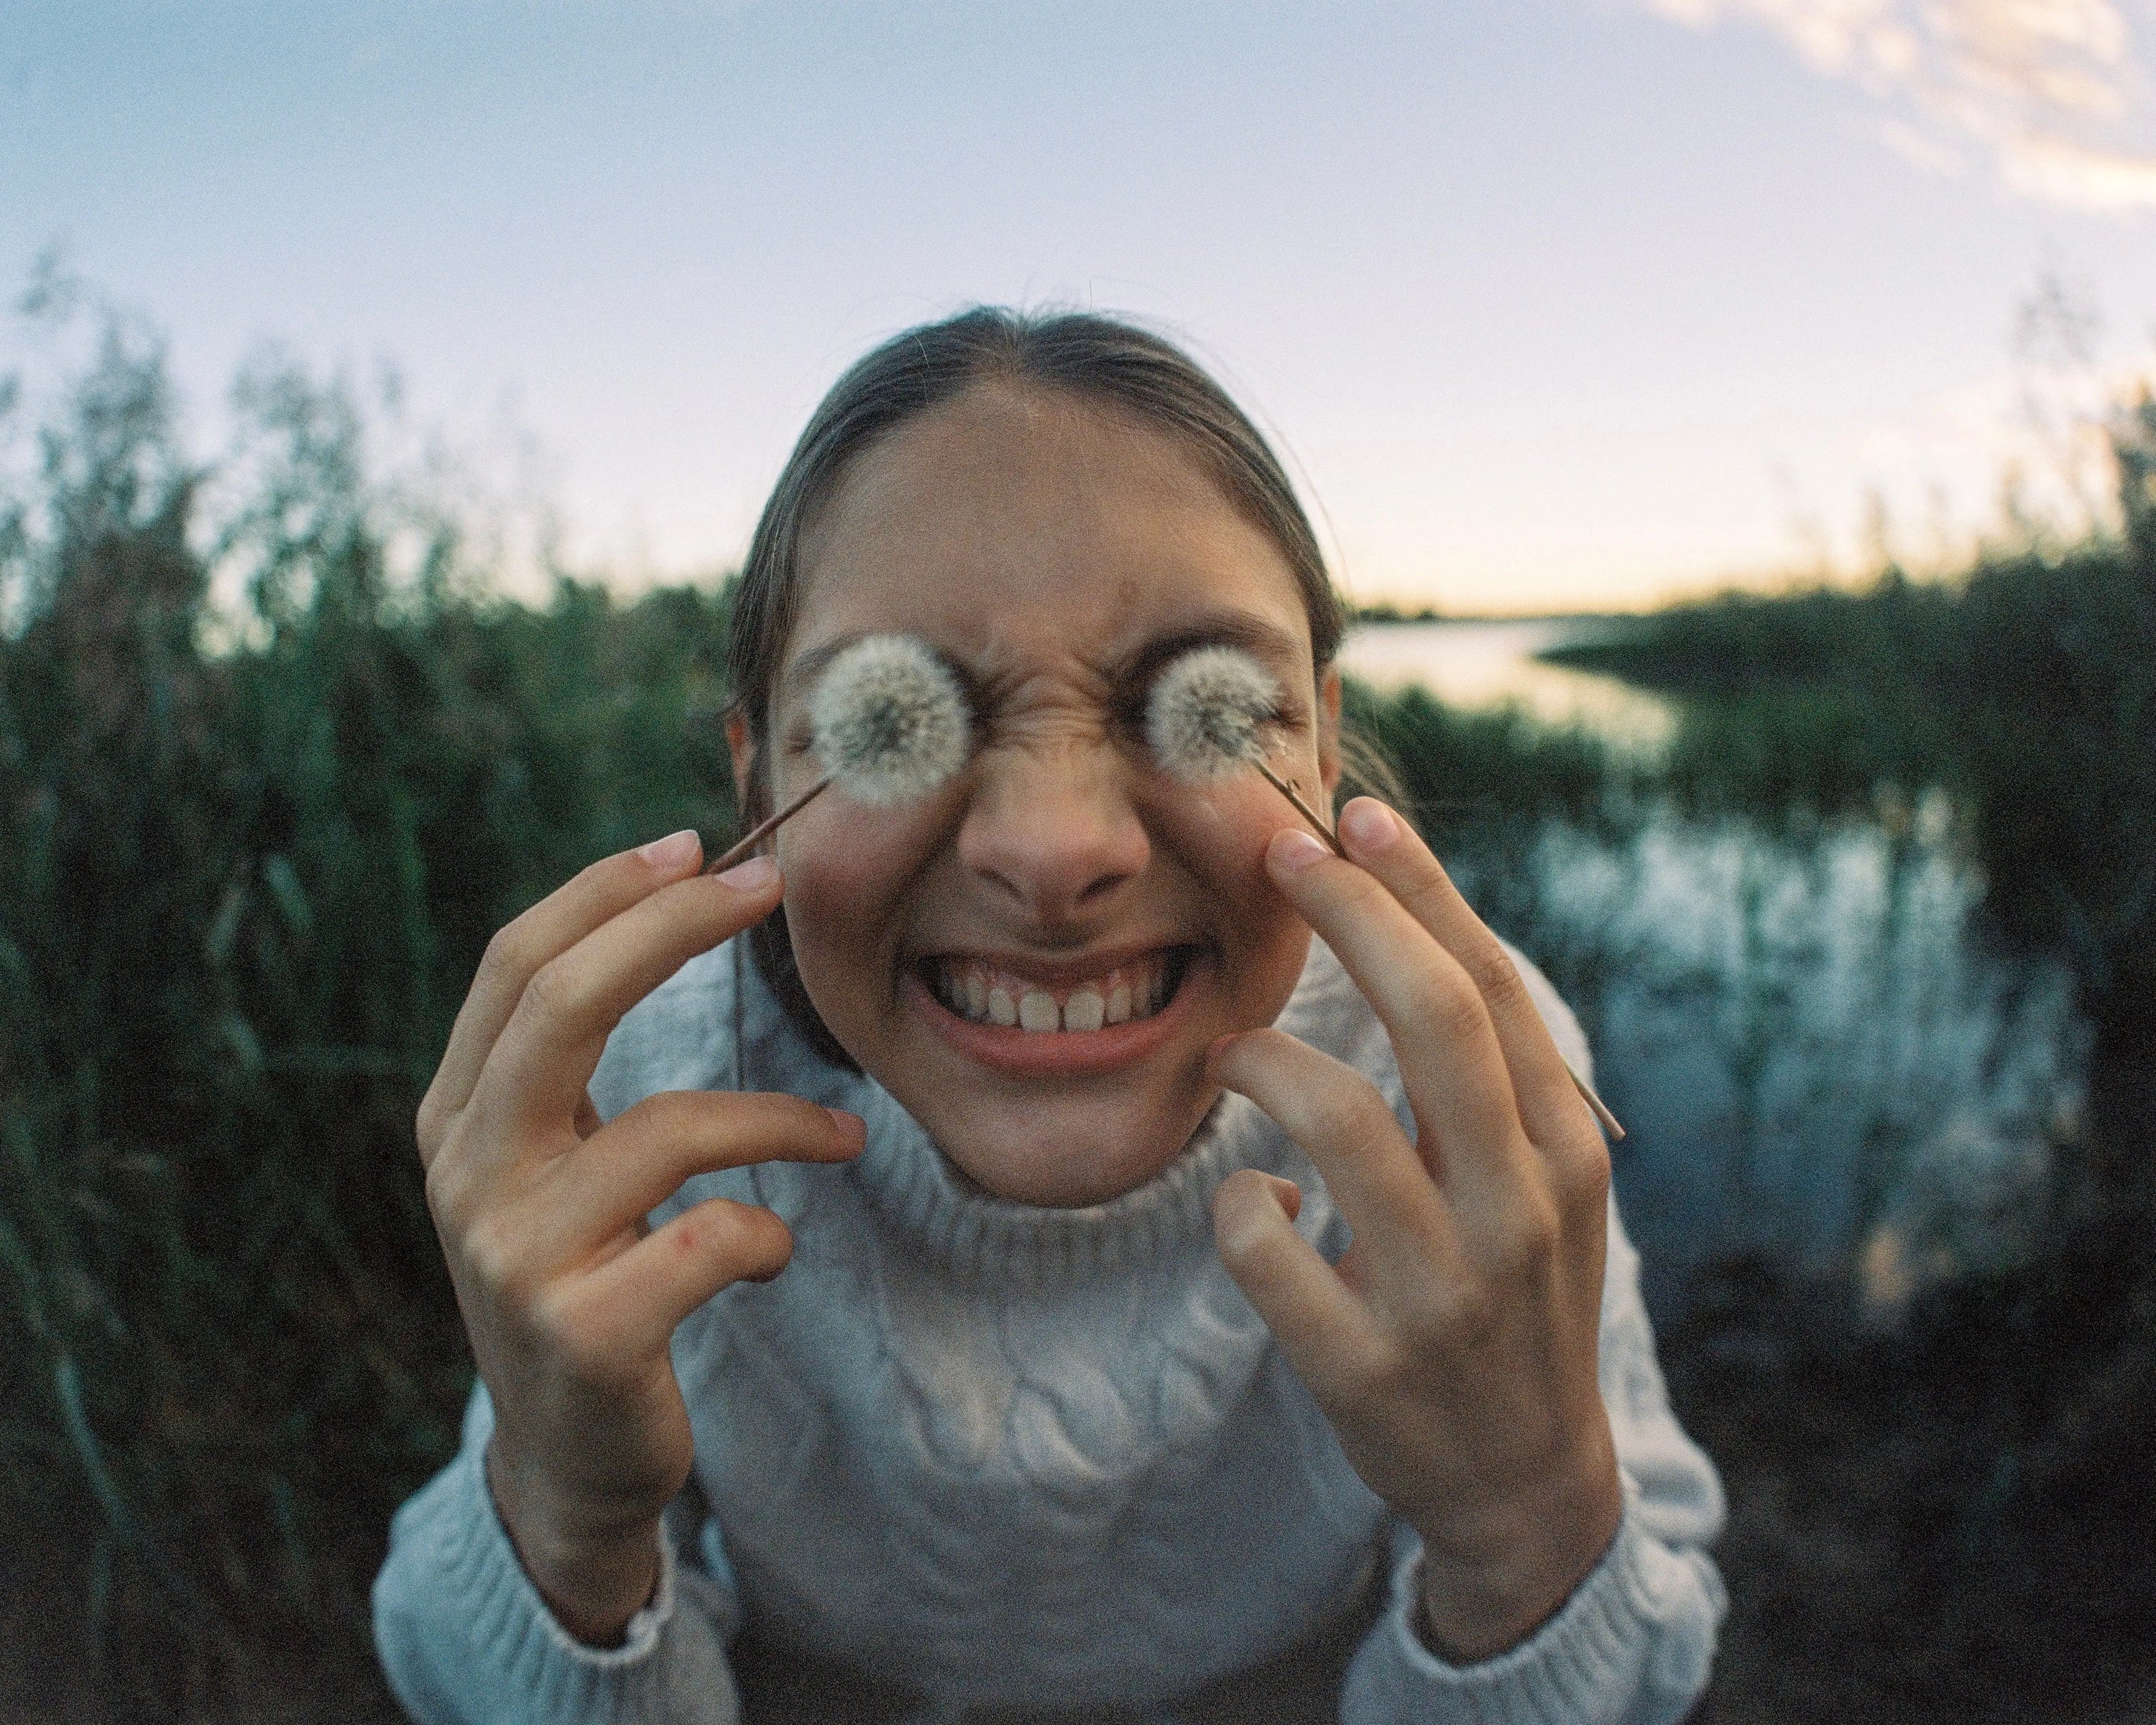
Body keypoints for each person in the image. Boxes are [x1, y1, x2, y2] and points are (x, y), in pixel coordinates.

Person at [372, 309, 1726, 1724]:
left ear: (1321, 745)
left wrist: (1526, 1527)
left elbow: (1635, 1624)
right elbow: (455, 1659)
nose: (1052, 848)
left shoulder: (1465, 1086)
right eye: (892, 721)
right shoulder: (640, 1094)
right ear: (755, 768)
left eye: (1209, 711)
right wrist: (561, 1519)